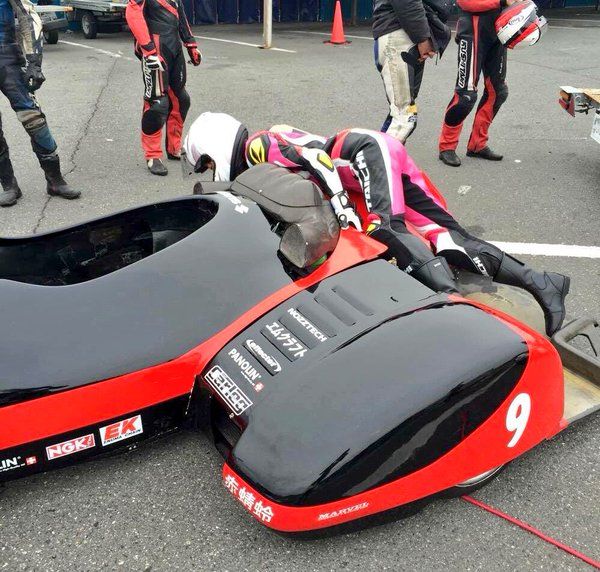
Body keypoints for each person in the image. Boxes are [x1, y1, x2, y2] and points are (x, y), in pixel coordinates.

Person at [181, 112, 569, 336]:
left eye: (208, 163)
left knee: (383, 230)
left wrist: (343, 210)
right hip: (371, 165)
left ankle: (454, 311)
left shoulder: (259, 146)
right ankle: (543, 282)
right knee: (447, 239)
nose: (213, 171)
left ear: (216, 144)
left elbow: (318, 161)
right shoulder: (260, 157)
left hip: (366, 153)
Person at [0, 0, 80, 207]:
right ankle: (9, 185)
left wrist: (34, 62)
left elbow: (28, 15)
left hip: (7, 58)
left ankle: (55, 181)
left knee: (34, 119)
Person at [438, 0, 518, 167]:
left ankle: (477, 144)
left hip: (498, 29)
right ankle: (447, 146)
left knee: (498, 92)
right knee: (465, 96)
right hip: (472, 30)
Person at [126, 0, 202, 176]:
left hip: (174, 46)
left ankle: (174, 147)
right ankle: (152, 155)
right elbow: (133, 11)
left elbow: (180, 15)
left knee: (181, 100)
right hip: (156, 48)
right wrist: (148, 50)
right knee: (158, 103)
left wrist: (191, 45)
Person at [372, 0, 451, 143]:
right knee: (404, 118)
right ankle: (379, 157)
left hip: (406, 36)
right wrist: (422, 37)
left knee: (399, 113)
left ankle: (380, 154)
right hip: (398, 35)